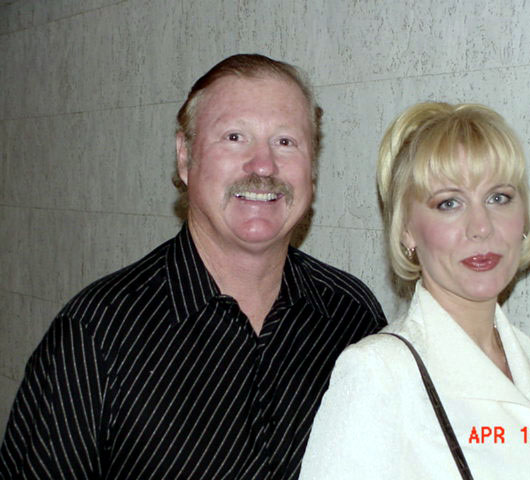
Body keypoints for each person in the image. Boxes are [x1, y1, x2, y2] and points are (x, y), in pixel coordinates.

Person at [0, 54, 386, 480]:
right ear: (185, 157)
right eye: (235, 137)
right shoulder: (96, 335)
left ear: (312, 167)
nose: (263, 165)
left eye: (285, 141)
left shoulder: (351, 317)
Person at [300, 102, 530, 479]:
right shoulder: (379, 371)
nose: (481, 226)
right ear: (407, 230)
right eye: (449, 203)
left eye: (499, 197)